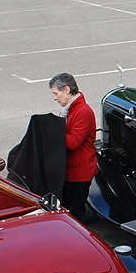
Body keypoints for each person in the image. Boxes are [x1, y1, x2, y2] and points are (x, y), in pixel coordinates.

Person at [49, 73, 98, 225]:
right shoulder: (69, 110)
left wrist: (54, 129)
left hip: (79, 173)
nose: (55, 98)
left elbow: (73, 142)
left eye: (56, 94)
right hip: (71, 170)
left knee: (75, 213)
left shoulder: (83, 112)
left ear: (67, 90)